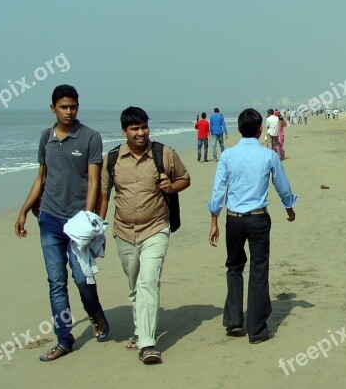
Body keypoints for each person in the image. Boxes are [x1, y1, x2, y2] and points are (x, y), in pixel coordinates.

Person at [14, 85, 109, 362]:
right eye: (64, 107)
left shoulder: (90, 138)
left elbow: (94, 181)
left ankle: (96, 313)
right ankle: (64, 340)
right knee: (56, 282)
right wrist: (23, 211)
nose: (69, 112)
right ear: (53, 108)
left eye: (73, 107)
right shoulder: (46, 138)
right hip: (50, 222)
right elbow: (40, 178)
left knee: (82, 278)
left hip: (78, 223)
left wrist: (87, 219)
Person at [99, 107, 191, 365]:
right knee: (134, 285)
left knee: (148, 281)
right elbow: (104, 195)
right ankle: (140, 330)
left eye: (144, 127)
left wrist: (171, 187)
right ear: (124, 131)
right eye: (134, 129)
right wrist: (97, 227)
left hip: (156, 228)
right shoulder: (113, 159)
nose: (141, 133)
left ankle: (148, 344)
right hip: (124, 232)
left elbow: (185, 178)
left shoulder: (164, 153)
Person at [208, 108, 298, 344]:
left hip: (234, 219)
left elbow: (219, 190)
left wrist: (213, 220)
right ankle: (256, 329)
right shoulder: (268, 156)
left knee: (234, 266)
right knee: (258, 270)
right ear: (260, 130)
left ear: (239, 129)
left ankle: (234, 320)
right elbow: (282, 185)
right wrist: (289, 207)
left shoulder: (228, 155)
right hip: (258, 218)